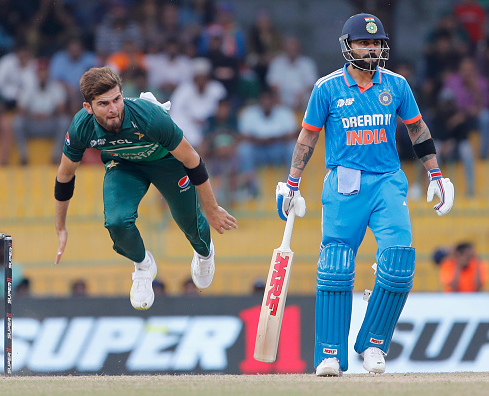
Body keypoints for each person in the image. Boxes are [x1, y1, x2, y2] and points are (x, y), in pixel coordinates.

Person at [274, 14, 455, 376]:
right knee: (336, 267)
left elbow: (417, 129)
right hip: (344, 183)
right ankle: (329, 354)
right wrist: (291, 183)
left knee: (400, 263)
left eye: (376, 43)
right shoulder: (326, 88)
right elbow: (308, 137)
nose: (372, 49)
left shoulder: (397, 85)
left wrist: (436, 174)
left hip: (388, 180)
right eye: (364, 43)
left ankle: (373, 345)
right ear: (348, 46)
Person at [54, 67, 237, 312]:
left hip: (166, 162)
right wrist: (60, 226)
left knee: (188, 221)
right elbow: (65, 175)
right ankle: (142, 266)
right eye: (103, 104)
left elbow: (193, 159)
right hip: (124, 165)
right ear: (88, 107)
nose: (113, 109)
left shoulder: (149, 117)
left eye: (117, 99)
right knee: (116, 222)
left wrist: (212, 208)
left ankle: (204, 254)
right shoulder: (81, 127)